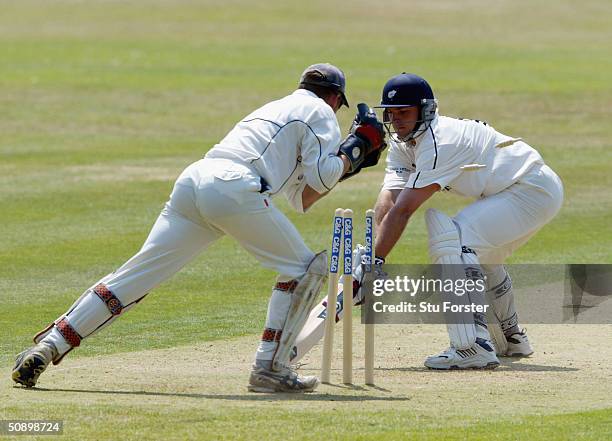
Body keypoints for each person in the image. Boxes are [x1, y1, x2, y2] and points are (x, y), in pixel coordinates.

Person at [11, 63, 386, 392]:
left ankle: (50, 345)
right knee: (305, 270)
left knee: (135, 276)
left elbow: (302, 197)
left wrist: (349, 162)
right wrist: (353, 147)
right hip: (235, 186)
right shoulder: (320, 110)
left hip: (195, 182)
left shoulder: (276, 108)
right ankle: (270, 368)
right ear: (336, 98)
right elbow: (323, 175)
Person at [371, 73, 564, 369]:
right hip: (520, 190)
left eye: (404, 113)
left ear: (426, 110)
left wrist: (375, 263)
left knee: (455, 240)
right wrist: (368, 257)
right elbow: (390, 201)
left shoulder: (440, 141)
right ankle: (511, 338)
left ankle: (472, 345)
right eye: (391, 113)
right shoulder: (402, 143)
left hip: (529, 189)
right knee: (481, 258)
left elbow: (405, 210)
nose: (397, 121)